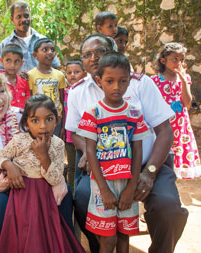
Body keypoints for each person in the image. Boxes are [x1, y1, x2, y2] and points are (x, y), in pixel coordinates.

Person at [65, 33, 188, 253]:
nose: (93, 58)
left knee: (167, 208)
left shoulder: (139, 83)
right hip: (102, 170)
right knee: (83, 200)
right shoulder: (76, 92)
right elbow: (74, 132)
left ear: (112, 52)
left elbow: (165, 131)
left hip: (146, 164)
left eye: (99, 51)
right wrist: (85, 149)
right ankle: (101, 246)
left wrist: (149, 173)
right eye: (87, 54)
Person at [0, 67, 73, 240]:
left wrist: (59, 181)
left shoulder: (23, 119)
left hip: (29, 185)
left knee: (64, 193)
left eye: (2, 91)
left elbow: (49, 151)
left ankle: (62, 245)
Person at [76, 52, 151, 252]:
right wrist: (104, 189)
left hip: (127, 182)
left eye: (123, 81)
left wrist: (131, 187)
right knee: (107, 239)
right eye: (110, 81)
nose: (117, 87)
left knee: (124, 236)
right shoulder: (93, 113)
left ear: (129, 82)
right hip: (102, 184)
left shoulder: (134, 113)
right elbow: (90, 151)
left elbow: (137, 151)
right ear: (99, 81)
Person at [0, 94, 84, 253]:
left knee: (45, 229)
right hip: (23, 193)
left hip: (45, 193)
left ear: (56, 121)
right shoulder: (19, 141)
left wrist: (44, 156)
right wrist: (9, 165)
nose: (43, 126)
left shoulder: (57, 144)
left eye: (49, 119)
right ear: (26, 123)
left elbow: (56, 178)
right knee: (26, 229)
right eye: (35, 120)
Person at [151, 43, 201, 179]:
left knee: (178, 158)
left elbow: (187, 103)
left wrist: (184, 82)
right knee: (163, 156)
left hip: (180, 127)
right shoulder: (155, 81)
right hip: (163, 127)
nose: (178, 62)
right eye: (174, 59)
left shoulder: (184, 79)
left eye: (181, 59)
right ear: (163, 60)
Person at [0, 1, 60, 73]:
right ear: (12, 20)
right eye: (19, 17)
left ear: (30, 16)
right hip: (16, 84)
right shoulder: (5, 45)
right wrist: (18, 77)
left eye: (26, 16)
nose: (23, 20)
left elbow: (55, 68)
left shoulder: (43, 41)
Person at [28, 38, 65, 137]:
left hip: (56, 119)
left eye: (52, 50)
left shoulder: (59, 75)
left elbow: (62, 100)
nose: (50, 53)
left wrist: (63, 126)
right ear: (35, 55)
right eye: (45, 50)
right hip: (38, 119)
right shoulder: (30, 75)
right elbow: (29, 100)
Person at [64, 60, 87, 191]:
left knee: (81, 165)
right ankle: (73, 193)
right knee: (72, 166)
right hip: (68, 136)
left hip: (82, 136)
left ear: (84, 73)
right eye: (69, 72)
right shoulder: (65, 91)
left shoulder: (84, 92)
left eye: (76, 72)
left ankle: (79, 190)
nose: (72, 75)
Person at [0, 44, 30, 109]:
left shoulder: (24, 82)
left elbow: (28, 103)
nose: (12, 65)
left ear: (21, 63)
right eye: (8, 60)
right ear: (2, 61)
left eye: (16, 61)